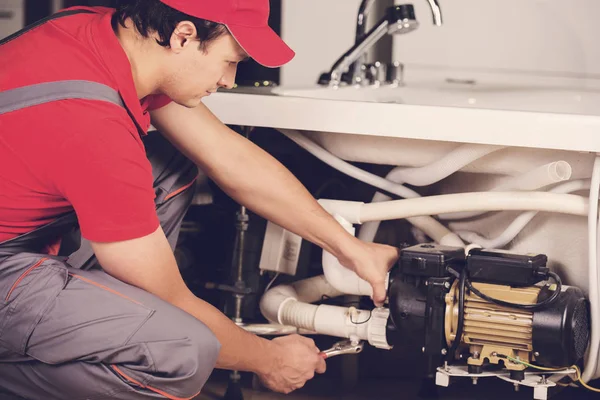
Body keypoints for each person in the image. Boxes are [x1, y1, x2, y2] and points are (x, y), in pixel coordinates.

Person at [0, 0, 400, 398]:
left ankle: (89, 324)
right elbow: (170, 297)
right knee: (187, 351)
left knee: (169, 165)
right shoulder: (92, 125)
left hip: (22, 237)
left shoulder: (101, 35)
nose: (229, 80)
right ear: (183, 35)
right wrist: (268, 359)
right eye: (231, 60)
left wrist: (348, 247)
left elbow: (229, 158)